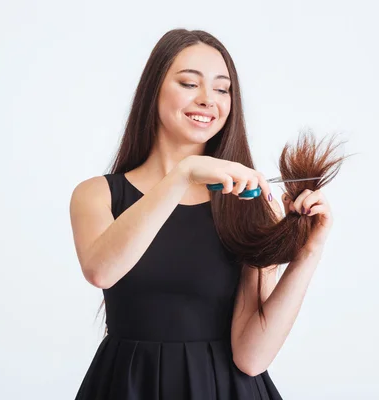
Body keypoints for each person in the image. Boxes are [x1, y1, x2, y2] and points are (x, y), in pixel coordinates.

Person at [69, 28, 334, 400]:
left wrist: (307, 253)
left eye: (223, 89)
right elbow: (101, 270)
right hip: (128, 384)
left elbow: (252, 357)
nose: (209, 99)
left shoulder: (250, 203)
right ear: (153, 90)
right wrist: (183, 173)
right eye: (190, 83)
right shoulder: (97, 194)